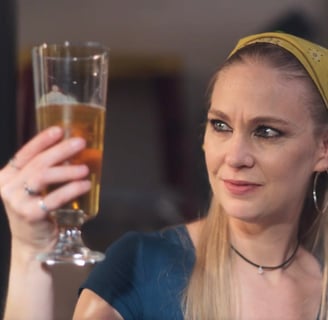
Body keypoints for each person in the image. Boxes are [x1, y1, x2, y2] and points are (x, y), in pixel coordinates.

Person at [1, 31, 328, 320]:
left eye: (267, 132)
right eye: (220, 125)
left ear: (322, 149)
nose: (235, 156)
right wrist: (30, 253)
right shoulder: (142, 264)